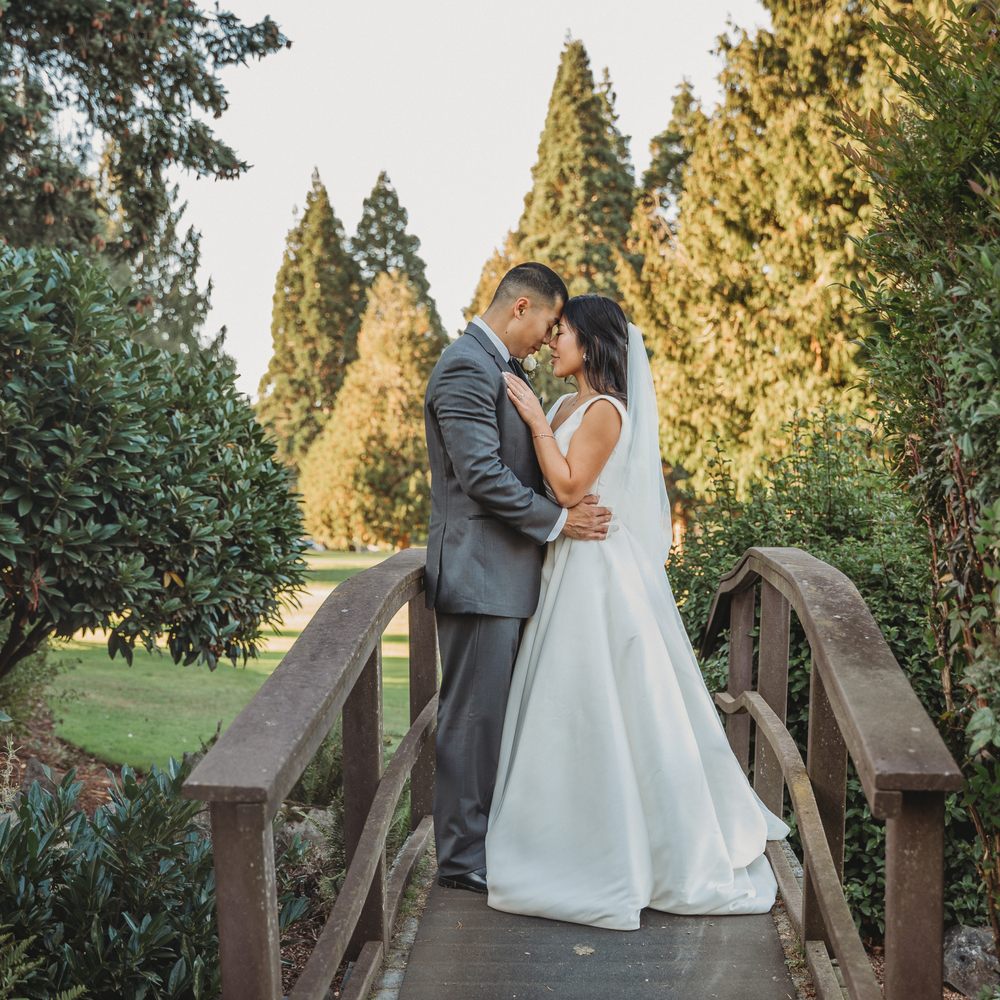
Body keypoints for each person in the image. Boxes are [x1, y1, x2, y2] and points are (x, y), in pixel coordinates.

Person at [485, 294, 789, 930]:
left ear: (593, 343)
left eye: (563, 332)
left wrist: (536, 421)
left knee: (605, 695)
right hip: (562, 562)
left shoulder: (605, 410)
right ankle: (560, 832)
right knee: (565, 703)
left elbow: (569, 486)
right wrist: (543, 421)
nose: (553, 342)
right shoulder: (565, 405)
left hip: (599, 572)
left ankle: (636, 846)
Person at [423, 263, 612, 893]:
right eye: (549, 324)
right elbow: (479, 475)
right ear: (521, 307)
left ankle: (482, 844)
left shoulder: (498, 366)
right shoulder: (465, 367)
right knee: (472, 720)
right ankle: (461, 860)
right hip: (480, 574)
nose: (549, 338)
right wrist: (560, 521)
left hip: (504, 573)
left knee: (491, 719)